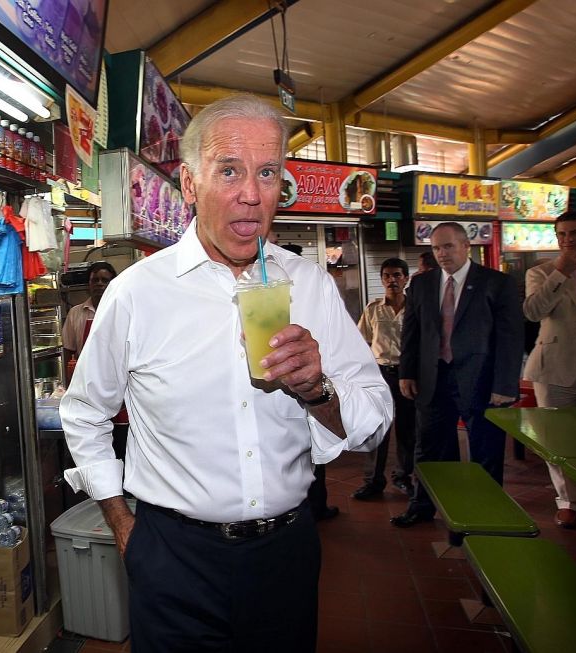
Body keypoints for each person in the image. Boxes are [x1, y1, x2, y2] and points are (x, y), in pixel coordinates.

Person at [60, 94, 392, 652]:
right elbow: (85, 412)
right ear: (189, 185)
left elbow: (375, 423)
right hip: (173, 559)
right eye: (229, 171)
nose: (251, 194)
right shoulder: (138, 293)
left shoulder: (306, 284)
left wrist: (318, 390)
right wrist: (123, 524)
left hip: (285, 553)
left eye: (267, 173)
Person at [393, 222, 523, 527]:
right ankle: (423, 505)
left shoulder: (496, 283)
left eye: (448, 246)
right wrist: (406, 372)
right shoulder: (422, 285)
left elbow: (510, 337)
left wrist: (505, 384)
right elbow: (411, 333)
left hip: (481, 381)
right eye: (436, 248)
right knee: (429, 448)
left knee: (485, 449)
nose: (442, 254)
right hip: (433, 379)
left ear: (467, 246)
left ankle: (487, 511)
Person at [522, 211, 576, 529]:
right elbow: (533, 312)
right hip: (555, 369)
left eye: (574, 233)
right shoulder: (541, 272)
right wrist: (562, 272)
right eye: (560, 234)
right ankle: (568, 501)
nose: (567, 240)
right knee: (558, 440)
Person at [280, 243, 339, 521]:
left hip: (311, 395)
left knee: (315, 453)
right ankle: (317, 504)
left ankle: (316, 505)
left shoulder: (311, 291)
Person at [354, 258, 416, 500]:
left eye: (397, 275)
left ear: (406, 278)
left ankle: (403, 476)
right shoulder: (372, 309)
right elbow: (362, 343)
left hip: (408, 375)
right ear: (381, 280)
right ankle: (373, 481)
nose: (392, 280)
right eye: (387, 276)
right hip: (381, 374)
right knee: (377, 429)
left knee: (407, 429)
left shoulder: (414, 308)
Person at [62, 261, 117, 363]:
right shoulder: (75, 313)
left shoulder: (120, 311)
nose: (99, 284)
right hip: (85, 374)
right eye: (95, 280)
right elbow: (68, 350)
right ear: (89, 284)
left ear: (113, 284)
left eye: (105, 280)